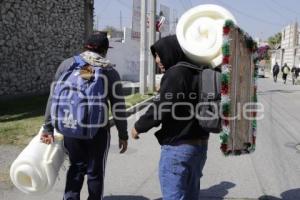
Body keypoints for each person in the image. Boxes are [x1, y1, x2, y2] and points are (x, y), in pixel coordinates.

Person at [41, 32, 128, 200]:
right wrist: (123, 134)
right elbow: (118, 106)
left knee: (76, 166)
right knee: (95, 171)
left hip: (70, 126)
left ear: (85, 46)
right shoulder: (108, 70)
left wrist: (48, 127)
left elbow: (54, 97)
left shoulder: (66, 65)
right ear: (104, 50)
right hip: (98, 131)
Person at [131, 35, 209, 200]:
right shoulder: (199, 70)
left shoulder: (176, 73)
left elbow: (161, 107)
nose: (158, 60)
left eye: (160, 54)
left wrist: (139, 126)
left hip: (178, 148)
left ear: (171, 51)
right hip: (199, 147)